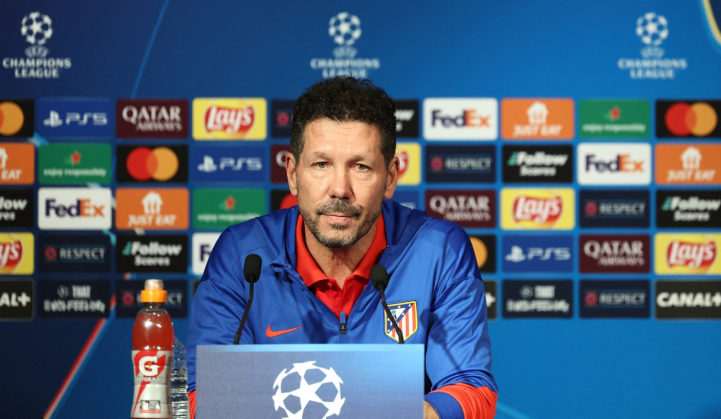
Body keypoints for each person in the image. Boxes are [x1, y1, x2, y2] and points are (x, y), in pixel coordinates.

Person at [186, 77, 497, 419]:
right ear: (293, 174)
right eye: (321, 164)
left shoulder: (439, 250)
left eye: (360, 167)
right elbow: (206, 395)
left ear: (391, 177)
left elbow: (472, 390)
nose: (339, 189)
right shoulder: (243, 255)